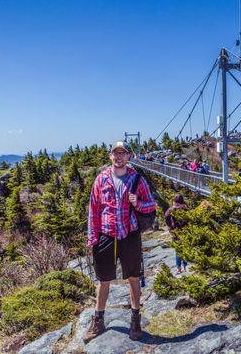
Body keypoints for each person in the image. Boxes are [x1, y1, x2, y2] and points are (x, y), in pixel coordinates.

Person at [85, 141, 156, 342]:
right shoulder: (101, 179)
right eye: (115, 153)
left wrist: (138, 203)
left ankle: (135, 320)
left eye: (122, 153)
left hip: (130, 234)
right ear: (110, 156)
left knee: (133, 277)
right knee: (104, 280)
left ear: (128, 157)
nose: (119, 157)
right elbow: (94, 209)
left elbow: (151, 205)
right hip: (106, 235)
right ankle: (98, 321)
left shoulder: (137, 179)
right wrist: (93, 237)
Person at [164, 194, 188, 274]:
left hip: (175, 232)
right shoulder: (185, 208)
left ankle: (178, 268)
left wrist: (170, 226)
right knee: (185, 248)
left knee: (178, 250)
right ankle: (185, 266)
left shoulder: (171, 209)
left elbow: (166, 217)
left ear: (174, 201)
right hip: (185, 231)